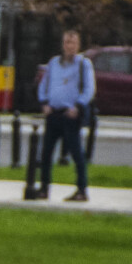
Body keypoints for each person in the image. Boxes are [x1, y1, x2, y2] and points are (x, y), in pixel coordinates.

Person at [36, 28, 95, 201]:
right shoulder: (54, 63)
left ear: (78, 45)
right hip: (53, 113)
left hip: (70, 115)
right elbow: (44, 85)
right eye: (67, 42)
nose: (70, 46)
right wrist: (44, 102)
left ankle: (82, 190)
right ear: (62, 44)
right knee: (46, 153)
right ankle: (44, 188)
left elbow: (89, 89)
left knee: (76, 153)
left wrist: (78, 106)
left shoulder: (84, 64)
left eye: (73, 43)